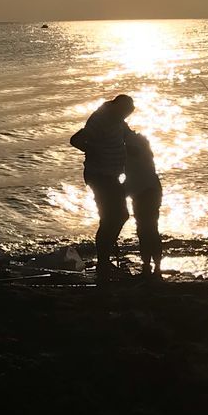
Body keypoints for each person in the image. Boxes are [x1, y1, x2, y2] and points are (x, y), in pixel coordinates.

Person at [70, 94, 134, 282]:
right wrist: (93, 152)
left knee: (116, 217)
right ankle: (103, 261)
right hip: (100, 176)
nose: (126, 116)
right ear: (116, 107)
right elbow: (76, 140)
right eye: (125, 112)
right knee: (114, 217)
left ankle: (104, 259)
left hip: (112, 176)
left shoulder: (118, 119)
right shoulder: (100, 120)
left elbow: (128, 136)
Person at [124, 130, 163, 277]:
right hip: (148, 189)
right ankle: (151, 265)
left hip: (146, 191)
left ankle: (151, 265)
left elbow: (134, 171)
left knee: (147, 229)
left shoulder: (130, 145)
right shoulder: (138, 141)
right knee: (149, 228)